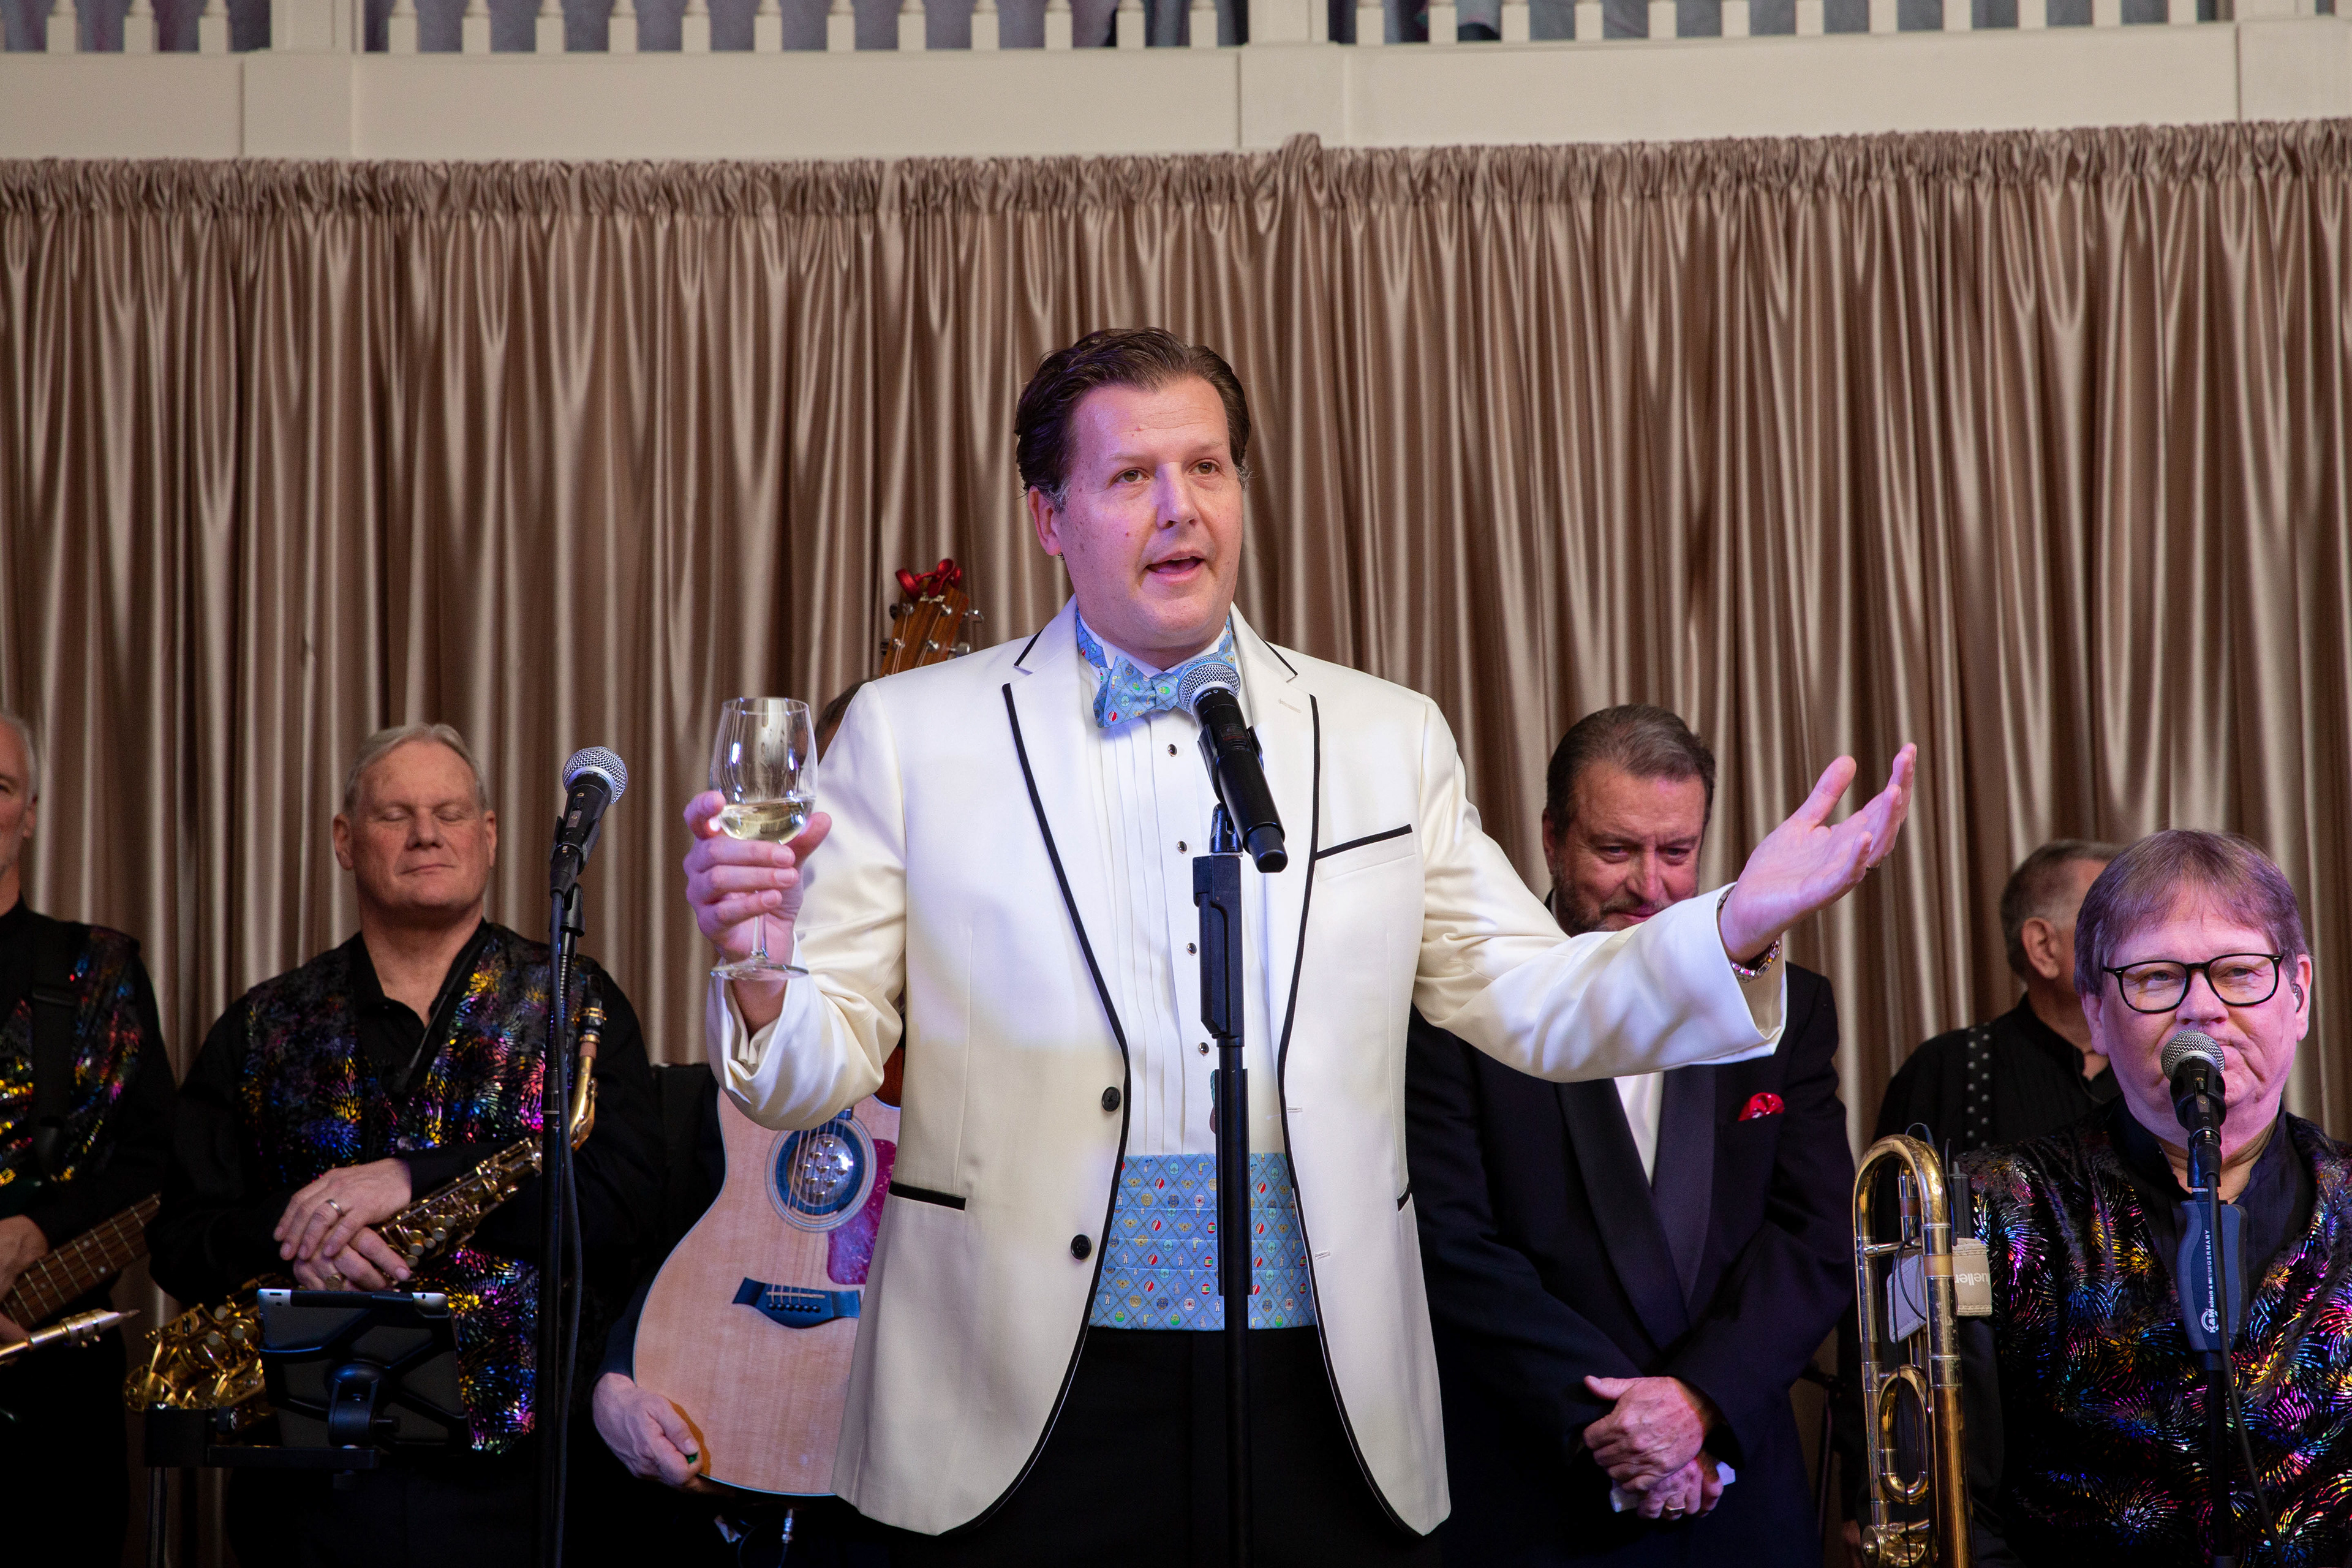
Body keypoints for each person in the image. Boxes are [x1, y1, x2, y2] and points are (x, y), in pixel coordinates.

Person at [683, 327, 1917, 1565]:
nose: (1179, 507)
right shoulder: (911, 733)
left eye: (1207, 467)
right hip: (1007, 1387)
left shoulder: (1386, 735)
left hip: (1323, 1387)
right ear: (1049, 516)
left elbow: (1536, 998)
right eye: (1130, 476)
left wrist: (1734, 922)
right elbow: (814, 1072)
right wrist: (763, 968)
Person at [148, 723, 663, 1568]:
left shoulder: (580, 1004)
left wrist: (410, 1178)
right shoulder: (261, 1023)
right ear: (345, 841)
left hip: (532, 1490)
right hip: (310, 1491)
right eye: (396, 815)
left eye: (450, 813)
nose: (427, 834)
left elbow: (628, 1205)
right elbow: (180, 1241)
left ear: (488, 837)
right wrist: (305, 1235)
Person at [1406, 704, 1854, 1565]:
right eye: (1615, 850)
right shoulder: (1459, 1005)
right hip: (1540, 1490)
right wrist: (1620, 1427)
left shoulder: (1790, 1007)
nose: (1650, 886)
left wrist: (1700, 1405)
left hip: (1738, 1489)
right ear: (1552, 839)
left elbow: (1815, 1233)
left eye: (1677, 852)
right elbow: (1450, 1247)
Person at [1956, 829, 2352, 1566]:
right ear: (2096, 1011)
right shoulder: (1995, 1207)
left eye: (2239, 971)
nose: (2201, 1008)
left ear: (2299, 992)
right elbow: (1962, 1518)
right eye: (2157, 977)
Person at [0, 709, 176, 1568]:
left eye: (0, 786)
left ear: (31, 811)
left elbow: (160, 1163)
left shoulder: (99, 970)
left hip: (53, 1394)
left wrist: (41, 1229)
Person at [1874, 839, 2124, 1156]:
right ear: (2044, 947)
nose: (2144, 946)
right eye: (2114, 924)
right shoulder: (1943, 1074)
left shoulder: (2165, 1062)